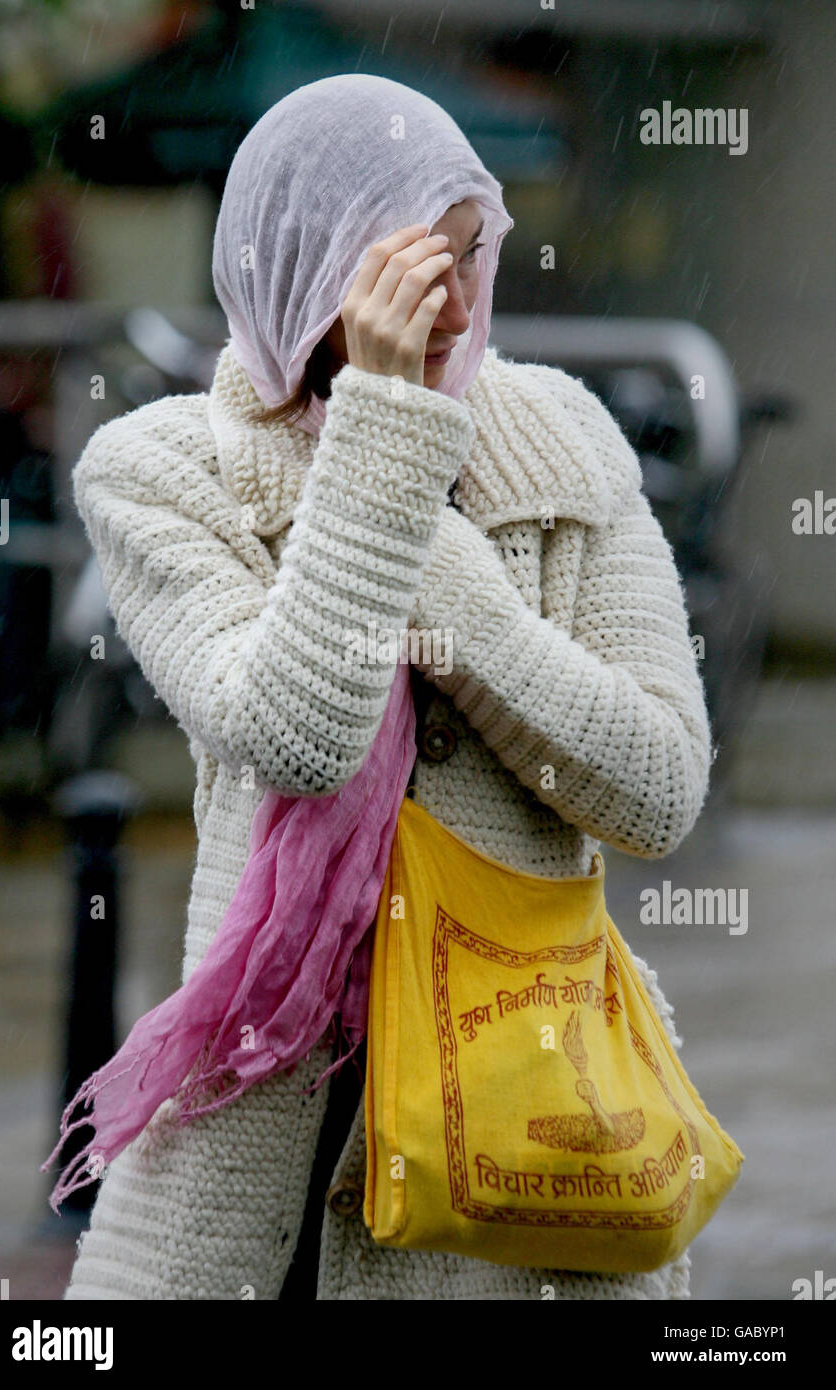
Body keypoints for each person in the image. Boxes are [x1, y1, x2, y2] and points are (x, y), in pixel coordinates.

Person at [62, 74, 710, 1300]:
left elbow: (659, 787)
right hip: (265, 1142)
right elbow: (294, 735)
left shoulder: (562, 443)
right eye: (419, 266)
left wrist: (460, 606)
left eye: (475, 250)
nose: (462, 303)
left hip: (523, 1131)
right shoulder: (160, 471)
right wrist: (379, 439)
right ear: (311, 268)